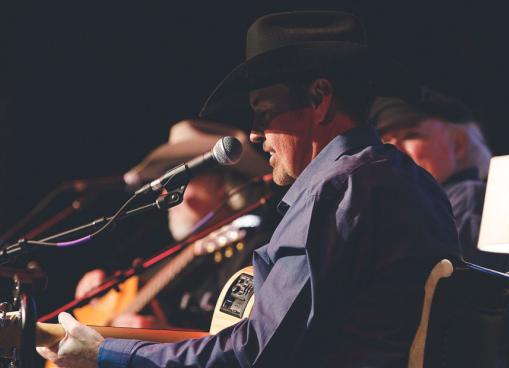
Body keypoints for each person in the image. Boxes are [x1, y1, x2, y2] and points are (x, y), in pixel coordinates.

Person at [37, 11, 460, 367]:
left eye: (264, 112)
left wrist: (109, 355)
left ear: (319, 98)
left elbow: (256, 352)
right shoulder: (412, 181)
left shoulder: (333, 192)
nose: (255, 135)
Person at [370, 94, 509, 367]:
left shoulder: (468, 200)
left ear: (457, 145)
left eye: (411, 135)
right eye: (386, 141)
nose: (393, 149)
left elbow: (455, 306)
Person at [73, 119, 273, 330]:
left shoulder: (255, 252)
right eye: (166, 183)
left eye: (180, 180)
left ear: (221, 184)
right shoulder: (158, 242)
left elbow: (245, 344)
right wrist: (100, 287)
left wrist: (163, 339)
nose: (166, 194)